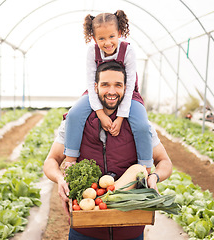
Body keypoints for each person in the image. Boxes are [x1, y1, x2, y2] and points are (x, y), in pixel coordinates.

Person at [43, 61, 173, 240]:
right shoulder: (75, 125)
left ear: (126, 89)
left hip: (130, 228)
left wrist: (154, 177)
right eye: (105, 84)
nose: (111, 91)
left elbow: (164, 162)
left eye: (118, 85)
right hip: (85, 228)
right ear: (95, 87)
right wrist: (59, 179)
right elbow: (51, 160)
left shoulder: (140, 127)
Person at [64, 11, 153, 172]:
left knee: (141, 125)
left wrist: (120, 117)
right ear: (94, 38)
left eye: (112, 36)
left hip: (127, 93)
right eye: (101, 38)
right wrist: (100, 114)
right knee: (74, 114)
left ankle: (145, 167)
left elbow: (130, 83)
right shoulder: (92, 52)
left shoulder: (128, 51)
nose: (107, 43)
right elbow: (91, 84)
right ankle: (70, 159)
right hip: (97, 92)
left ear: (119, 33)